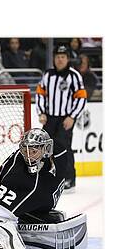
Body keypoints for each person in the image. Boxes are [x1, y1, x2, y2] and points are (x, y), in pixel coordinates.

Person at [0, 128, 86, 249]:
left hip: (37, 200)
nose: (29, 156)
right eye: (25, 150)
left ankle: (25, 220)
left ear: (46, 149)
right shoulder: (19, 178)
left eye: (34, 151)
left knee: (54, 218)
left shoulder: (59, 152)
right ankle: (15, 223)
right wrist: (3, 242)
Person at [35, 44, 87, 193]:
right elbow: (40, 94)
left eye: (63, 57)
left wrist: (72, 116)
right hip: (50, 117)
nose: (60, 60)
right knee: (45, 148)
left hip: (66, 118)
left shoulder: (74, 75)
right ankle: (46, 178)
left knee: (64, 149)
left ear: (68, 59)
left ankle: (69, 179)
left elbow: (81, 98)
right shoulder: (48, 75)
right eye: (57, 57)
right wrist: (41, 112)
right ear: (54, 58)